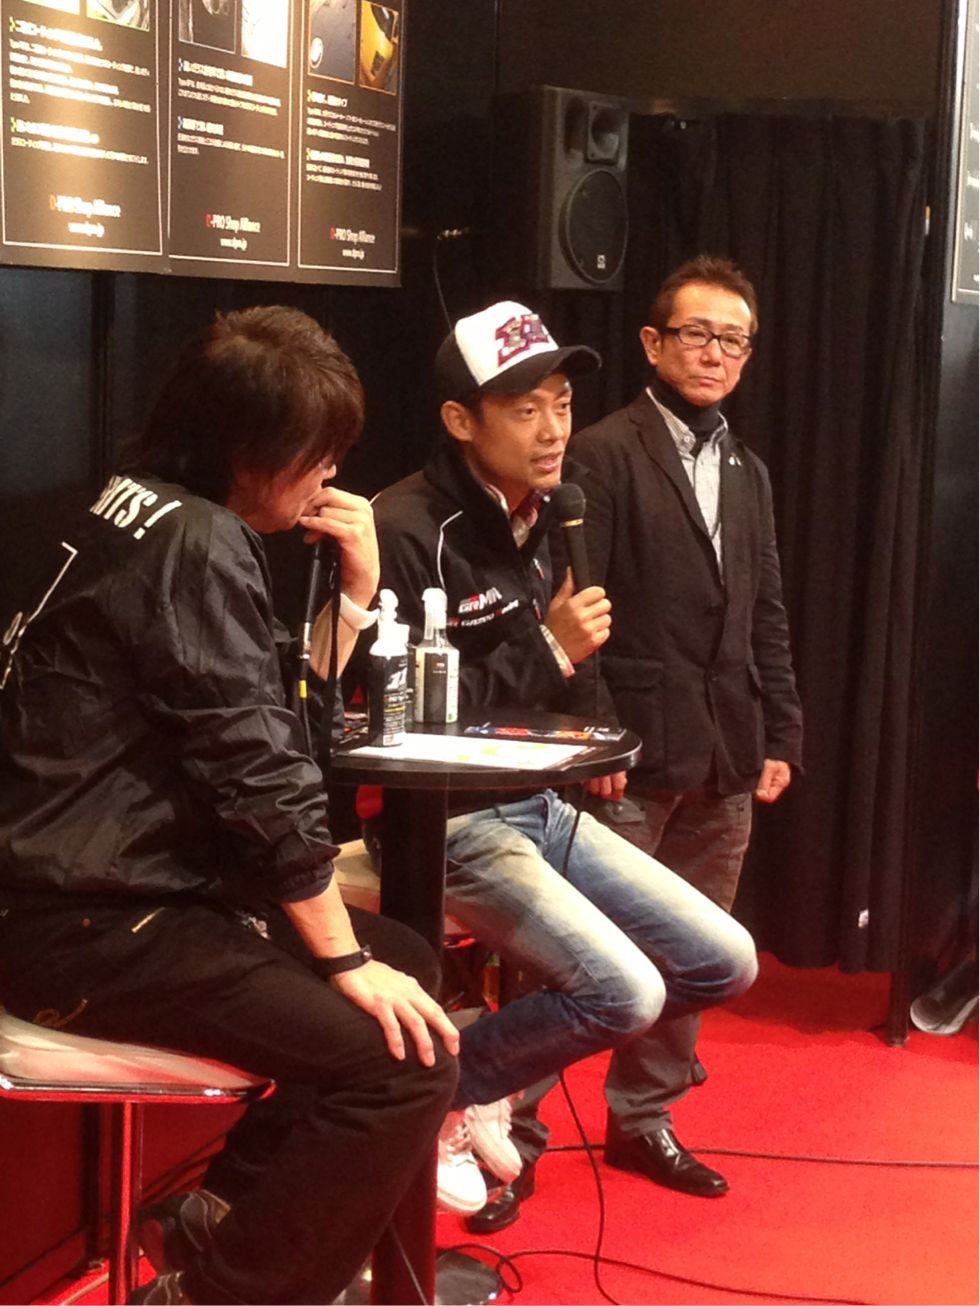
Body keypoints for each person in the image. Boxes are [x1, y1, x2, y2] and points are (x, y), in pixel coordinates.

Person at [0, 306, 460, 1306]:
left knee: (410, 962)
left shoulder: (118, 504)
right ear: (248, 449)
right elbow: (260, 774)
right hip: (88, 919)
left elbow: (261, 719)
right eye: (315, 454)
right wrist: (340, 960)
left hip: (89, 894)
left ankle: (222, 1217)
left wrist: (354, 595)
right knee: (404, 1061)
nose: (327, 476)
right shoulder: (199, 540)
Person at [364, 299, 759, 1225]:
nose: (553, 431)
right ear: (461, 420)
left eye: (563, 405)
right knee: (625, 991)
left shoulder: (552, 513)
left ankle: (465, 1075)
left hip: (538, 806)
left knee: (724, 960)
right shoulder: (404, 526)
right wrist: (548, 650)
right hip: (439, 821)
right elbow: (382, 716)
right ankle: (437, 1090)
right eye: (525, 409)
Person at [506, 255, 797, 1213]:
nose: (715, 354)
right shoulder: (599, 451)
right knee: (564, 956)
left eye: (733, 340)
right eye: (697, 334)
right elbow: (575, 604)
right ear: (653, 342)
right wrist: (595, 741)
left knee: (694, 954)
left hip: (726, 747)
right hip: (627, 753)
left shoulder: (749, 469)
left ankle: (644, 1118)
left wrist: (781, 733)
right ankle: (508, 1134)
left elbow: (765, 613)